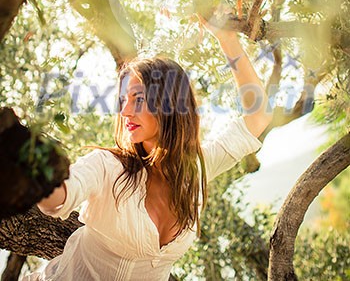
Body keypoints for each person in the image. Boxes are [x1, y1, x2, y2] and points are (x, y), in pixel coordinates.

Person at [23, 19, 272, 281]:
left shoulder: (197, 169)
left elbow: (258, 116)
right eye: (123, 100)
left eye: (138, 99)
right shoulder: (109, 167)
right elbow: (58, 197)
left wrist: (227, 39)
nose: (125, 111)